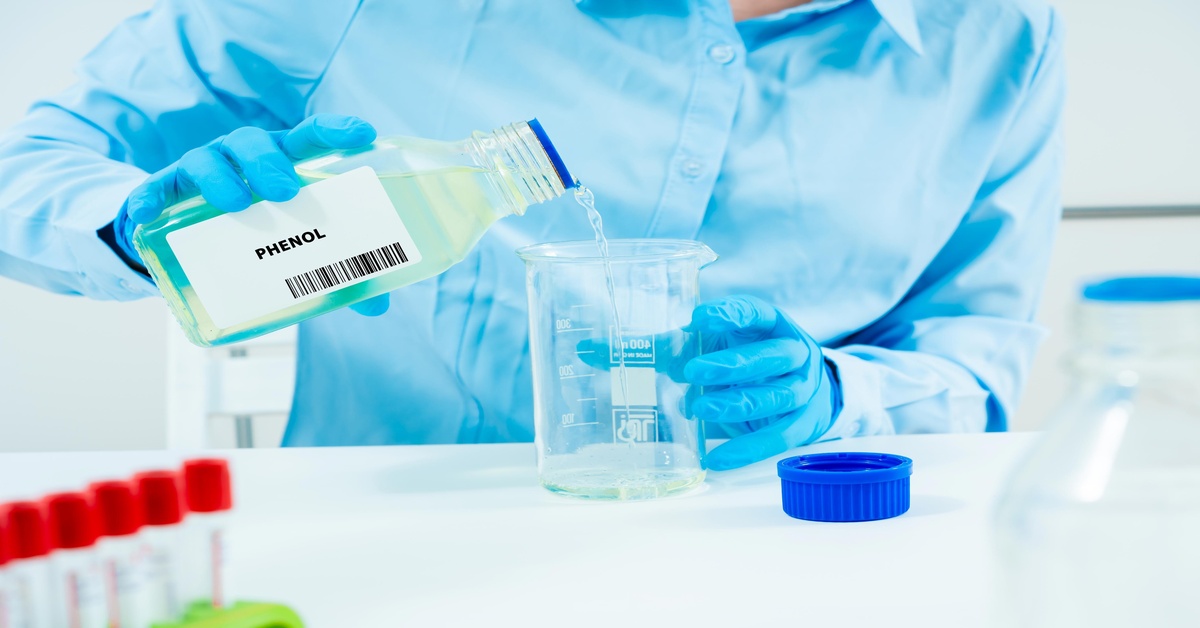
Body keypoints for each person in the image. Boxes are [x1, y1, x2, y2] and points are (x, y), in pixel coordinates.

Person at [0, 0, 1063, 470]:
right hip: (405, 557)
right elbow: (27, 174)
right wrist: (139, 225)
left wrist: (835, 398)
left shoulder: (998, 38)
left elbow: (975, 358)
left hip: (785, 548)